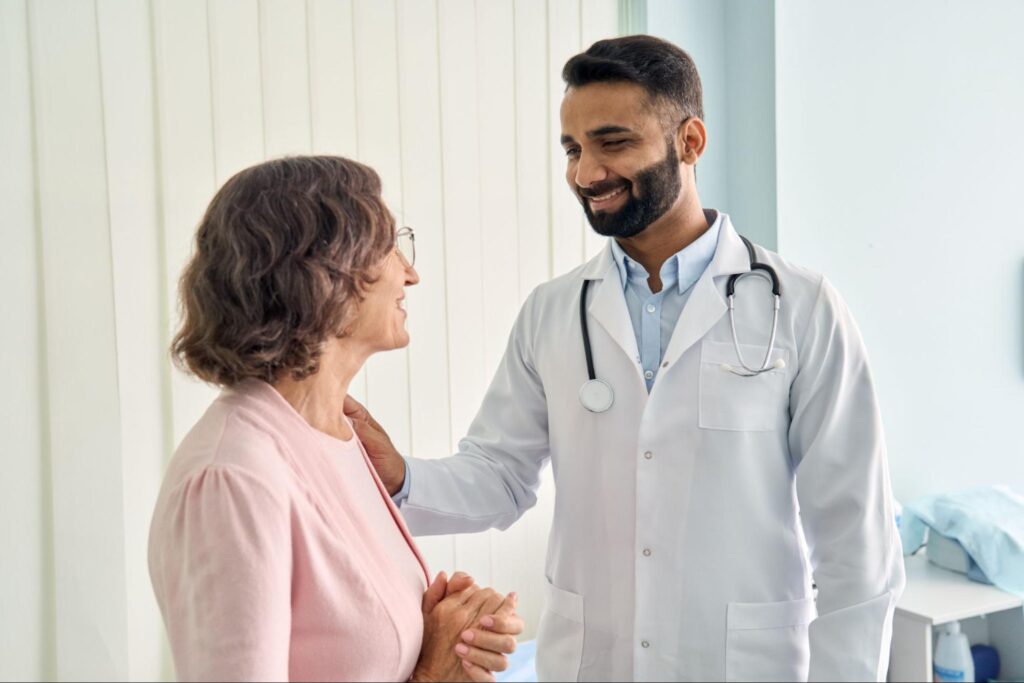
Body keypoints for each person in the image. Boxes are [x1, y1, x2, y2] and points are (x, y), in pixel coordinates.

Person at [345, 35, 905, 682]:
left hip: (747, 665)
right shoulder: (554, 312)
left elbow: (856, 541)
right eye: (574, 149)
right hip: (593, 662)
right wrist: (398, 474)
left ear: (689, 141)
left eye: (613, 143)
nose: (587, 173)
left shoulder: (802, 309)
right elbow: (500, 475)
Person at [148, 156, 522, 682]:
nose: (410, 273)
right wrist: (432, 677)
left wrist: (448, 637)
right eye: (391, 245)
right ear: (327, 274)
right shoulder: (232, 478)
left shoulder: (335, 437)